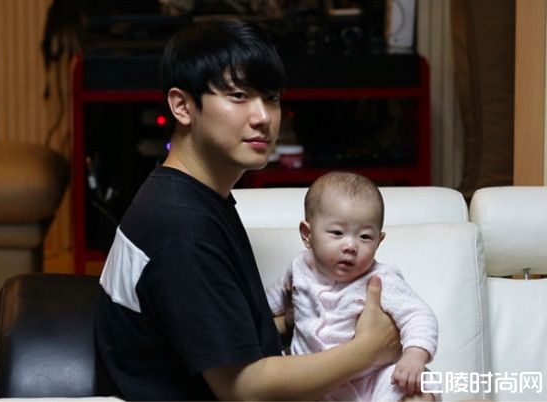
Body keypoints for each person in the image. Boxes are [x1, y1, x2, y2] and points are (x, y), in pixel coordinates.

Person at [93, 19, 400, 401]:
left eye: (270, 98)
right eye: (238, 96)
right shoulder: (181, 228)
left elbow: (204, 336)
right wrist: (368, 349)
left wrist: (295, 321)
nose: (263, 117)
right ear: (182, 106)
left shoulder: (189, 197)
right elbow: (246, 389)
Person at [266, 171, 439, 401]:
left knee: (421, 387)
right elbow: (268, 304)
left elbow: (418, 315)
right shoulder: (299, 267)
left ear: (379, 241)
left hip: (369, 381)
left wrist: (414, 355)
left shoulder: (381, 279)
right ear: (308, 234)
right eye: (337, 233)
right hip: (311, 379)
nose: (351, 246)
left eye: (365, 237)